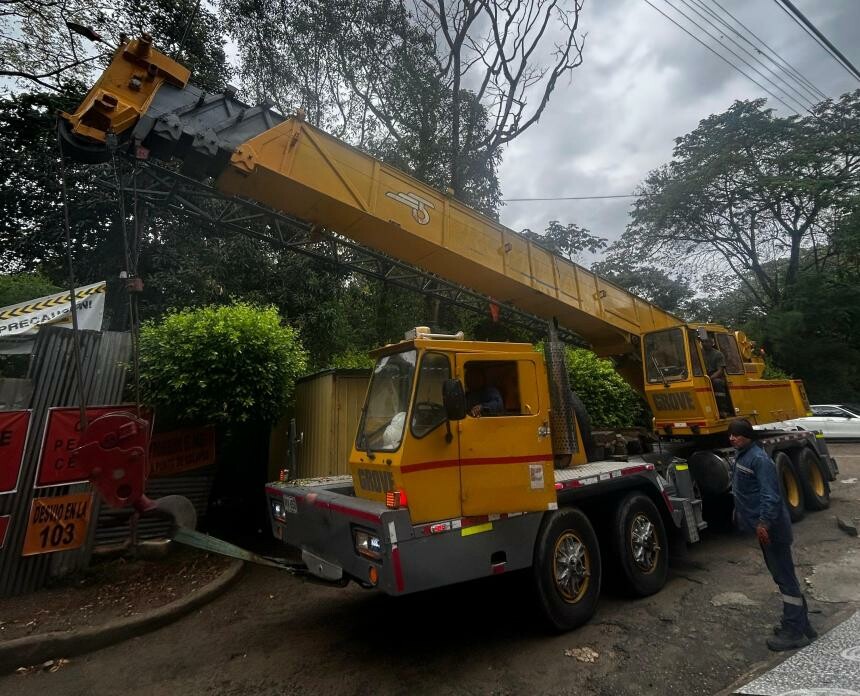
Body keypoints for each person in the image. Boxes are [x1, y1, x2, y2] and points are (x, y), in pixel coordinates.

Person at [728, 418, 816, 651]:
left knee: (785, 578)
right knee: (783, 576)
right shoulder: (743, 455)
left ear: (747, 435)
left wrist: (763, 523)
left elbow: (771, 495)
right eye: (730, 435)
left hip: (773, 529)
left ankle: (794, 631)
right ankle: (803, 624)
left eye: (737, 434)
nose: (732, 438)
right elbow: (745, 491)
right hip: (765, 527)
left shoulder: (758, 459)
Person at [702, 337, 730, 418]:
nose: (704, 344)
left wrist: (710, 379)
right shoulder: (699, 354)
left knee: (717, 383)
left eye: (707, 342)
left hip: (716, 376)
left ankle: (722, 410)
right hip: (704, 376)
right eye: (703, 342)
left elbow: (720, 370)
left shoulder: (718, 354)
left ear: (712, 343)